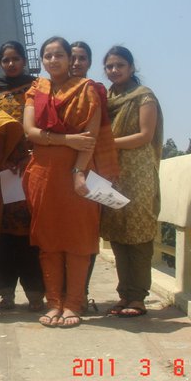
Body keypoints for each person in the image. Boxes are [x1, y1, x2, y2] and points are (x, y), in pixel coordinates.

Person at [23, 36, 105, 328]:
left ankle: (73, 304)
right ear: (42, 61)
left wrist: (78, 173)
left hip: (76, 172)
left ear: (71, 59)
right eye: (48, 55)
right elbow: (30, 131)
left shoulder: (88, 90)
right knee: (49, 240)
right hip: (43, 172)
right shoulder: (37, 90)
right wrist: (67, 139)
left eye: (59, 55)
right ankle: (53, 302)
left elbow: (91, 139)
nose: (53, 60)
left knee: (78, 239)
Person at [100, 46, 163, 318]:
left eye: (120, 65)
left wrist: (107, 143)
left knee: (138, 234)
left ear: (131, 67)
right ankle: (124, 294)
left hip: (138, 172)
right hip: (113, 172)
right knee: (118, 232)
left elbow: (145, 135)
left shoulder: (143, 96)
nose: (114, 70)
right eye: (110, 66)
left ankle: (138, 297)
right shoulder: (107, 99)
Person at [0, 41, 44, 312]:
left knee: (32, 232)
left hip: (32, 167)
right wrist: (5, 159)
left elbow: (45, 125)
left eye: (15, 59)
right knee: (2, 232)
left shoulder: (38, 89)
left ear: (24, 60)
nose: (11, 64)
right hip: (3, 171)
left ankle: (35, 292)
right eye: (6, 60)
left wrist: (27, 157)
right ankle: (5, 293)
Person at [69, 41, 120, 313]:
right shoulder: (52, 91)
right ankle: (62, 295)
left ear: (89, 63)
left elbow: (98, 133)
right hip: (58, 171)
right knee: (60, 235)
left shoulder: (95, 90)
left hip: (89, 170)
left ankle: (81, 292)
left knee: (85, 235)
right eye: (72, 58)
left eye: (82, 59)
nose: (76, 63)